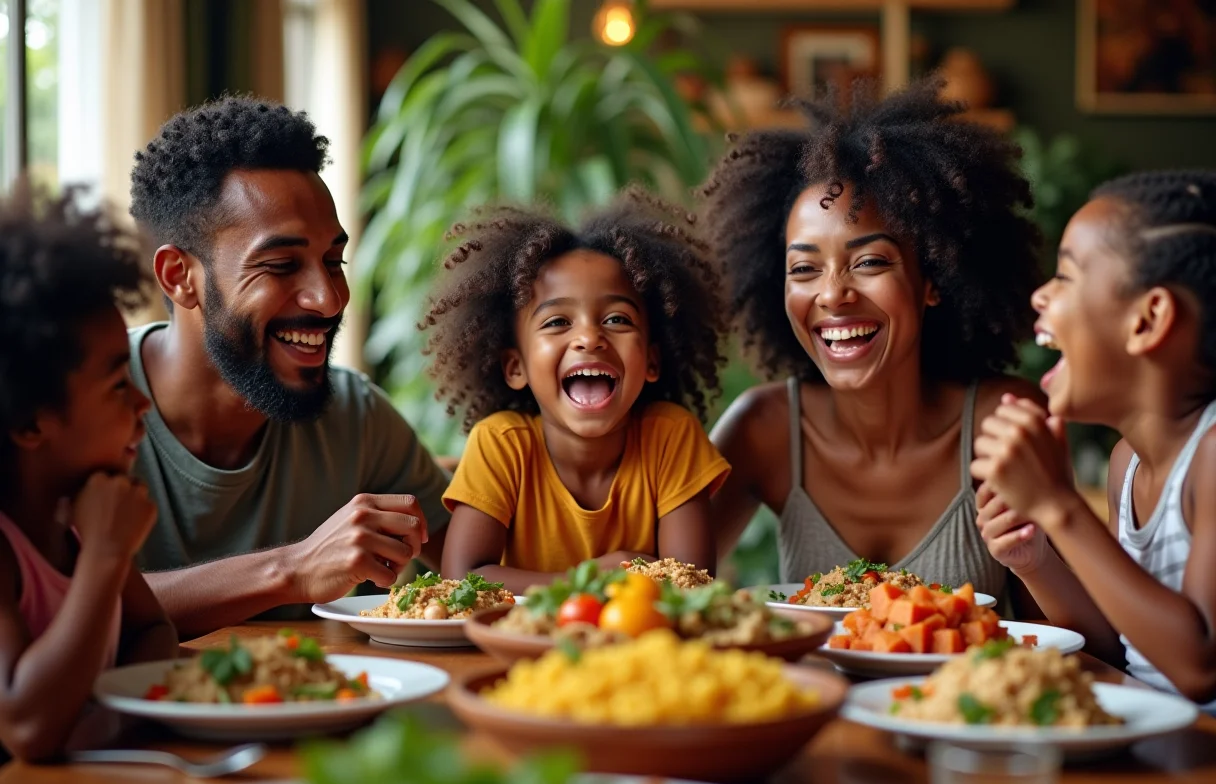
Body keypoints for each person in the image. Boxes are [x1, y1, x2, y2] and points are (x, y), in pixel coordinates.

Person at [702, 79, 1044, 608]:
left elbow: (1072, 639)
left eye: (869, 262)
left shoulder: (1002, 423)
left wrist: (1034, 554)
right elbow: (669, 583)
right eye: (804, 269)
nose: (833, 294)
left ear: (934, 280)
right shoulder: (764, 431)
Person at [127, 96, 450, 637]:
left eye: (333, 261)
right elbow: (53, 613)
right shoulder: (77, 409)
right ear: (179, 276)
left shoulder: (356, 418)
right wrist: (293, 570)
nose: (328, 299)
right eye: (280, 266)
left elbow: (479, 571)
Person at [973, 171, 1216, 707]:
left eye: (1065, 276)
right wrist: (1034, 558)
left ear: (1147, 320)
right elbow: (1122, 647)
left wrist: (1060, 506)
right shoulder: (1125, 464)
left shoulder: (1212, 457)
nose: (1040, 294)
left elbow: (1199, 663)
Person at [423, 193, 731, 593]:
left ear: (652, 361)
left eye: (617, 318)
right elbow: (463, 579)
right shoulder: (500, 444)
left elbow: (691, 586)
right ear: (516, 367)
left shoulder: (671, 438)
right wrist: (588, 580)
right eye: (557, 321)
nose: (589, 337)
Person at [0, 186, 177, 761]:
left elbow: (154, 631)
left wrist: (112, 717)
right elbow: (25, 727)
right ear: (31, 420)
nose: (141, 403)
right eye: (115, 386)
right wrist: (105, 557)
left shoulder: (76, 519)